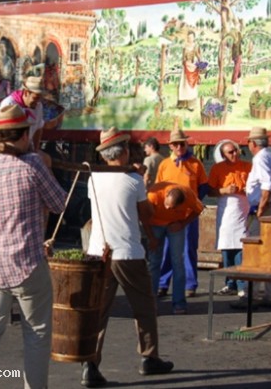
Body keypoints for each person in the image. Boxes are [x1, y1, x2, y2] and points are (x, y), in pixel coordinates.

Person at [0, 105, 66, 389]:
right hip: (27, 264)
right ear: (24, 134)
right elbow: (59, 203)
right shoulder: (32, 164)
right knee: (37, 333)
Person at [81, 127, 174, 388]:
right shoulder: (132, 181)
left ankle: (90, 364)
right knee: (144, 308)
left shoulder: (93, 179)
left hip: (99, 252)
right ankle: (149, 356)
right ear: (122, 152)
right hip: (127, 254)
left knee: (98, 311)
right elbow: (147, 215)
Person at [231, 127, 271, 310]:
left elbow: (268, 184)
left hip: (266, 209)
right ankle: (270, 296)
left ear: (253, 143)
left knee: (254, 252)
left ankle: (250, 295)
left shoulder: (261, 158)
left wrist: (261, 209)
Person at [155, 128, 207, 298]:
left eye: (182, 143)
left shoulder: (195, 163)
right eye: (175, 144)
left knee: (189, 249)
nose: (179, 147)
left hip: (188, 215)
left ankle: (190, 285)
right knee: (167, 249)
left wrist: (193, 202)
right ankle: (163, 284)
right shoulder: (164, 165)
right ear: (170, 146)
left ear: (186, 143)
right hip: (168, 215)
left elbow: (203, 187)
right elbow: (158, 188)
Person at [147, 182, 203, 314]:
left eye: (173, 208)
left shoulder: (189, 195)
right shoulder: (153, 195)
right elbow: (143, 217)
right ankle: (150, 303)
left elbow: (198, 210)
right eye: (167, 205)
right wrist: (151, 237)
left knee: (178, 261)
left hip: (175, 226)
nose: (168, 209)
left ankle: (179, 303)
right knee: (154, 262)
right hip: (154, 225)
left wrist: (183, 224)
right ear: (165, 195)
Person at [207, 139, 251, 297]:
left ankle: (241, 284)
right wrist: (224, 190)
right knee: (226, 247)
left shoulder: (247, 166)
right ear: (223, 155)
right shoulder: (217, 169)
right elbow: (210, 191)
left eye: (235, 151)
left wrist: (248, 189)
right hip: (226, 210)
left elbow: (255, 185)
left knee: (240, 247)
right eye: (230, 152)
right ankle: (230, 283)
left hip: (242, 207)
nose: (234, 154)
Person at [0, 76, 47, 151]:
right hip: (7, 149)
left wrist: (35, 150)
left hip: (25, 148)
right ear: (26, 93)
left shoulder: (38, 106)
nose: (38, 102)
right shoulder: (9, 103)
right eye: (35, 98)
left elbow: (38, 129)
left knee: (46, 159)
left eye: (40, 98)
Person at [177, 31, 203, 111]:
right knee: (184, 85)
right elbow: (183, 57)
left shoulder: (196, 46)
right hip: (186, 68)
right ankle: (183, 103)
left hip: (193, 68)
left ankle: (191, 105)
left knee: (191, 87)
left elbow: (199, 58)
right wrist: (184, 62)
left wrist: (199, 65)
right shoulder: (185, 46)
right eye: (188, 37)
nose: (190, 39)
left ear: (194, 38)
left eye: (191, 37)